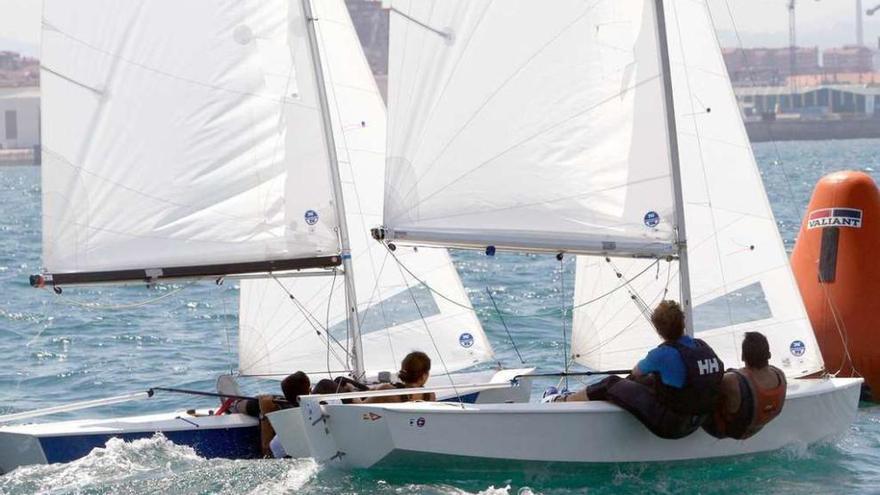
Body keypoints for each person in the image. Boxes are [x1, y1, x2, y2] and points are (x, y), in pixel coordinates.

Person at [549, 300, 724, 439]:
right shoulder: (702, 346)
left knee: (611, 383)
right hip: (698, 420)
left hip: (672, 426)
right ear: (683, 322)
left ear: (658, 329)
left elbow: (636, 373)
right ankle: (576, 397)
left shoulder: (661, 355)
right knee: (653, 380)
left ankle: (561, 400)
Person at [703, 331, 786, 440]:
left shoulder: (732, 381)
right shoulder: (779, 375)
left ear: (743, 357)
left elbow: (705, 386)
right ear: (769, 355)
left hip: (726, 430)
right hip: (756, 427)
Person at [259, 371, 311, 457]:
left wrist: (265, 413)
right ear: (310, 390)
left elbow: (267, 454)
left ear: (286, 397)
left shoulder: (291, 426)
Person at [365, 351, 436, 403]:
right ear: (424, 376)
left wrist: (353, 390)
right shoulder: (430, 396)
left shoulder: (386, 391)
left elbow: (359, 408)